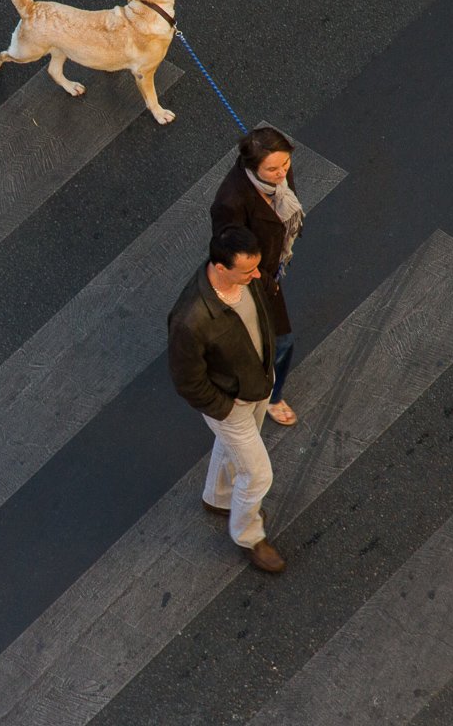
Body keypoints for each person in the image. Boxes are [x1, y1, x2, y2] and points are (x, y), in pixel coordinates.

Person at [167, 225, 285, 573]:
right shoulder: (191, 319)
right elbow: (187, 380)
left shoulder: (244, 281)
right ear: (220, 268)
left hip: (258, 383)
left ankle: (217, 499)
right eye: (248, 270)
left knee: (231, 450)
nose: (257, 275)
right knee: (259, 475)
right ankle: (248, 535)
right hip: (230, 403)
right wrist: (223, 407)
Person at [209, 127, 305, 426]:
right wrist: (264, 281)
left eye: (285, 165)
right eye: (273, 168)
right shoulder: (231, 201)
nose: (282, 174)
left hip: (270, 267)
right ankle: (268, 396)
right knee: (282, 340)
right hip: (252, 278)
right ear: (253, 167)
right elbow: (228, 252)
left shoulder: (275, 174)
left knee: (268, 339)